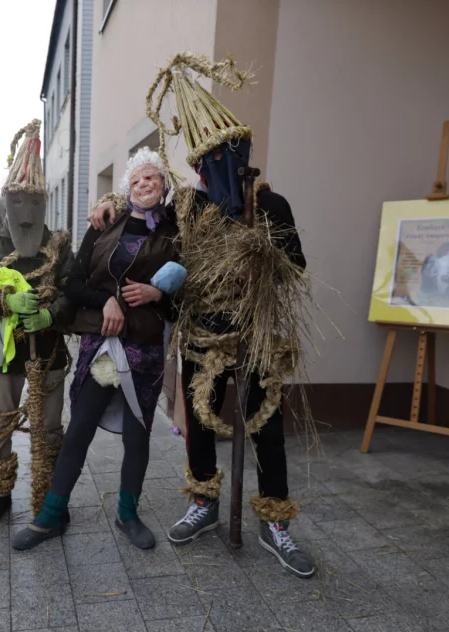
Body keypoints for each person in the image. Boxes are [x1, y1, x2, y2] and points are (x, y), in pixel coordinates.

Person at [89, 53, 315, 578]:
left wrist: (262, 254)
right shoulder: (189, 206)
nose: (219, 168)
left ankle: (275, 520)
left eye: (229, 155)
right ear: (197, 166)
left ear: (245, 152)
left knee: (267, 426)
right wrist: (107, 202)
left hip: (255, 335)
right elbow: (143, 203)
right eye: (208, 160)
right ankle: (205, 501)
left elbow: (297, 267)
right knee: (200, 425)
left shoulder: (270, 205)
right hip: (199, 337)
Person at [13, 148, 185, 551]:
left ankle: (128, 513)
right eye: (138, 179)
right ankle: (51, 516)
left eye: (153, 178)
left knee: (138, 435)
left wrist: (158, 292)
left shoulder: (176, 231)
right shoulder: (105, 224)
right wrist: (103, 300)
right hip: (103, 345)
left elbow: (181, 300)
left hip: (144, 348)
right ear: (127, 187)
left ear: (163, 186)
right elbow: (72, 281)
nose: (145, 184)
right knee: (80, 429)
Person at [0, 119, 75, 527]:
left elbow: (72, 293)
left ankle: (49, 495)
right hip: (2, 354)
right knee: (0, 422)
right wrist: (3, 303)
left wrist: (50, 312)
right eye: (17, 203)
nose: (26, 216)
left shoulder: (59, 245)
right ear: (5, 203)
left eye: (35, 204)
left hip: (49, 351)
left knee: (50, 427)